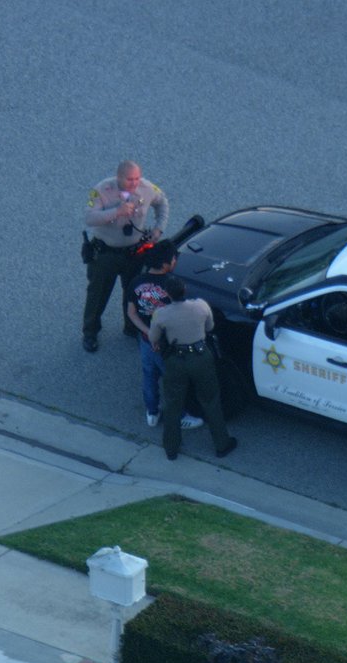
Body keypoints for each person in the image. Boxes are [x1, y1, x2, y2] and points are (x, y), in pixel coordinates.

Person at [82, 160, 169, 353]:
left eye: (137, 178)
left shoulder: (147, 188)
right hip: (106, 254)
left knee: (134, 291)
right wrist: (115, 212)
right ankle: (90, 332)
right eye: (130, 179)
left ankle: (132, 327)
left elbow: (162, 203)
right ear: (119, 177)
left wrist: (158, 229)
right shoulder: (102, 190)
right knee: (98, 294)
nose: (134, 182)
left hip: (134, 252)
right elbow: (89, 217)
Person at [148, 276, 237, 461]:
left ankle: (171, 448)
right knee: (211, 400)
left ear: (167, 294)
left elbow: (153, 338)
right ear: (185, 290)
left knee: (173, 403)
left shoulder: (161, 314)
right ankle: (222, 443)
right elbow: (210, 326)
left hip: (176, 359)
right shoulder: (201, 306)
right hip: (200, 356)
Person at [126, 240, 204, 431]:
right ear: (165, 264)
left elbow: (131, 312)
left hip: (145, 341)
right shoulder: (171, 285)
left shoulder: (136, 281)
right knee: (173, 380)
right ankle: (181, 415)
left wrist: (148, 333)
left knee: (149, 375)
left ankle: (152, 412)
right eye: (173, 258)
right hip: (166, 343)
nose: (175, 261)